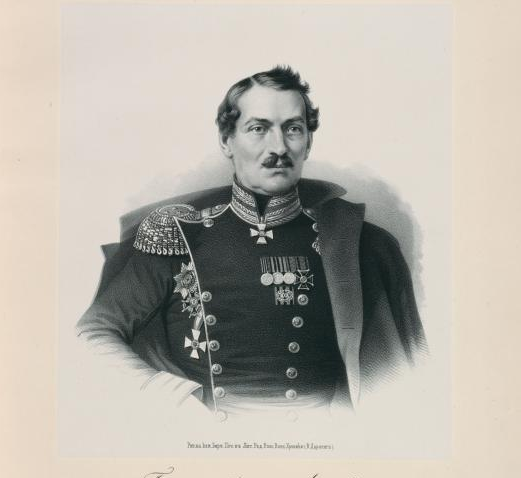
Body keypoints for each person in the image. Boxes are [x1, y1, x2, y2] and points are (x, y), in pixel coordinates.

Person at [77, 65, 426, 421]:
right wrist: (173, 399)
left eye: (293, 129)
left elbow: (401, 382)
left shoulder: (359, 245)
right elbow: (92, 333)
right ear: (226, 141)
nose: (279, 147)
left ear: (308, 142)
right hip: (205, 437)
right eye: (258, 129)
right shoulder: (179, 235)